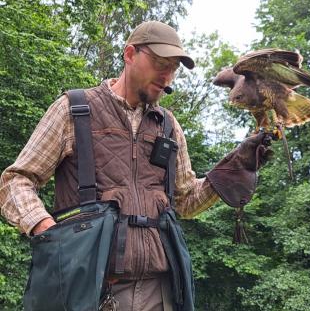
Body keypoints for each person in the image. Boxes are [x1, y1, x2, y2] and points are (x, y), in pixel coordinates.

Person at [0, 20, 269, 310]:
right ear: (130, 54)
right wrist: (46, 231)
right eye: (159, 63)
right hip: (91, 290)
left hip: (161, 289)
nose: (167, 75)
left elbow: (186, 201)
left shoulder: (168, 125)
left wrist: (234, 166)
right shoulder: (75, 110)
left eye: (173, 68)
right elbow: (15, 181)